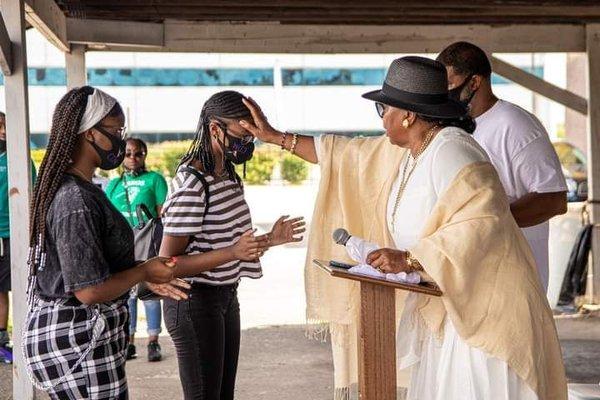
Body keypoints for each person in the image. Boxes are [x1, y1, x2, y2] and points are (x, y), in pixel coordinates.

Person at [240, 57, 567, 399]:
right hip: (453, 307)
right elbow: (345, 155)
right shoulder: (412, 150)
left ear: (408, 115)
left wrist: (410, 259)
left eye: (383, 108)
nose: (382, 118)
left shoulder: (452, 150)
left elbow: (483, 222)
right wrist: (275, 137)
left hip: (485, 314)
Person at [21, 86, 188, 399]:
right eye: (116, 130)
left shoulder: (84, 189)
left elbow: (97, 264)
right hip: (80, 342)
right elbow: (89, 290)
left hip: (87, 339)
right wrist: (144, 272)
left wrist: (144, 269)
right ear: (88, 133)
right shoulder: (75, 199)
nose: (122, 140)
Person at [153, 90, 306, 400]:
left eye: (251, 133)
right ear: (214, 129)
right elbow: (166, 265)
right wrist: (233, 252)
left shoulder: (228, 176)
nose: (248, 141)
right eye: (242, 132)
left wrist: (271, 240)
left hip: (224, 298)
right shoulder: (193, 184)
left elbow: (235, 246)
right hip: (194, 302)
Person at [437, 41, 568, 291]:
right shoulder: (454, 129)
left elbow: (553, 199)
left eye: (450, 86)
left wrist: (486, 222)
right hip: (474, 277)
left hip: (516, 279)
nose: (444, 94)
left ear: (474, 83)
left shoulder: (516, 125)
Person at [106, 138, 168, 362]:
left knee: (149, 292)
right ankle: (129, 342)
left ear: (145, 155)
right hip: (121, 245)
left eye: (138, 154)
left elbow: (162, 216)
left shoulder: (155, 180)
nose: (133, 158)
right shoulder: (112, 184)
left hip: (147, 243)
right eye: (129, 153)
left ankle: (153, 342)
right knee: (127, 295)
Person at [0, 111, 37, 363]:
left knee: (19, 287)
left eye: (4, 125)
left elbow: (31, 196)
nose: (3, 130)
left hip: (14, 234)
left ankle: (23, 338)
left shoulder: (19, 158)